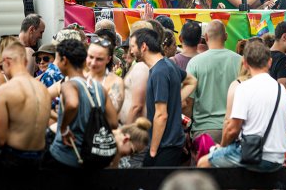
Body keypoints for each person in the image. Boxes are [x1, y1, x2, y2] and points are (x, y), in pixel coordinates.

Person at [197, 41, 286, 172]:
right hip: (278, 158)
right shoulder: (282, 89)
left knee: (202, 163)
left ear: (245, 63)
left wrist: (222, 147)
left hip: (253, 156)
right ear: (270, 62)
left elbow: (232, 130)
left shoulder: (243, 88)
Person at [47, 39, 118, 168]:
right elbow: (113, 122)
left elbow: (73, 104)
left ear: (64, 60)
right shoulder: (99, 88)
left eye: (57, 60)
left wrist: (63, 128)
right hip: (91, 157)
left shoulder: (69, 84)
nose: (56, 64)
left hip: (65, 155)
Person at [130, 28, 197, 166]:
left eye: (132, 46)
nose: (131, 51)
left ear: (143, 47)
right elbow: (192, 81)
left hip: (164, 147)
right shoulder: (167, 65)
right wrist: (174, 101)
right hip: (171, 145)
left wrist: (153, 150)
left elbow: (161, 115)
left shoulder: (159, 72)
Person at [0, 41, 51, 168]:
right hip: (40, 158)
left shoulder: (5, 90)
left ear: (7, 62)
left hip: (14, 158)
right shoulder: (42, 88)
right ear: (25, 62)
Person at [186, 20, 242, 144]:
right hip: (234, 128)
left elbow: (188, 101)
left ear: (205, 37)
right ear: (226, 36)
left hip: (203, 130)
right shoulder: (240, 61)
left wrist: (186, 130)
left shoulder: (194, 63)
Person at [85, 36, 125, 113]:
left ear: (108, 59)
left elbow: (112, 113)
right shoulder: (80, 77)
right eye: (91, 57)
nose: (93, 63)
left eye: (99, 59)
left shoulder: (116, 82)